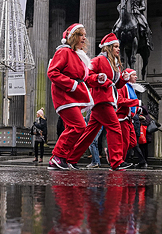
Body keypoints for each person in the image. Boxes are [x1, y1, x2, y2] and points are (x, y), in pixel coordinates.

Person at [66, 33, 131, 171]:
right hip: (101, 101)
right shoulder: (98, 60)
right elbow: (87, 76)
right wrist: (99, 79)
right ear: (107, 47)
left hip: (106, 101)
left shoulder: (115, 64)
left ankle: (70, 159)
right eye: (115, 46)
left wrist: (123, 79)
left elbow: (116, 85)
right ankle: (116, 161)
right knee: (115, 128)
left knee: (89, 133)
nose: (118, 49)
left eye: (118, 46)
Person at [47, 23, 94, 170]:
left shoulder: (77, 56)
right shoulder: (64, 52)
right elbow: (52, 73)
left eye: (84, 35)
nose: (84, 38)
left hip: (73, 96)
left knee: (74, 127)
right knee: (79, 126)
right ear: (73, 37)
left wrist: (99, 79)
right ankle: (58, 157)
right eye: (80, 34)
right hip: (64, 96)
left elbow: (84, 77)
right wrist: (72, 85)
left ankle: (63, 159)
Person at [116, 68, 145, 168]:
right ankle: (120, 161)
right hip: (122, 117)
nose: (136, 77)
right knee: (125, 141)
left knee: (132, 142)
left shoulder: (131, 88)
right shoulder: (122, 86)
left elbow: (131, 102)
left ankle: (120, 158)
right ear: (128, 76)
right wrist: (137, 103)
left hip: (129, 118)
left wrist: (137, 110)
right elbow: (120, 101)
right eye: (134, 75)